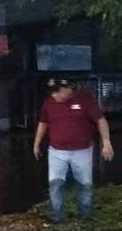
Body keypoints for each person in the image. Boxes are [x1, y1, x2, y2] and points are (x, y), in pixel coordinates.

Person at [33, 79, 115, 223]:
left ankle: (86, 215)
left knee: (85, 184)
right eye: (53, 92)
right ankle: (57, 217)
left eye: (58, 91)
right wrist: (36, 143)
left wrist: (106, 142)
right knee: (55, 184)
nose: (55, 95)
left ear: (67, 89)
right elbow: (43, 123)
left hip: (82, 151)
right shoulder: (49, 103)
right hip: (56, 152)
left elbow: (100, 121)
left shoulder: (85, 100)